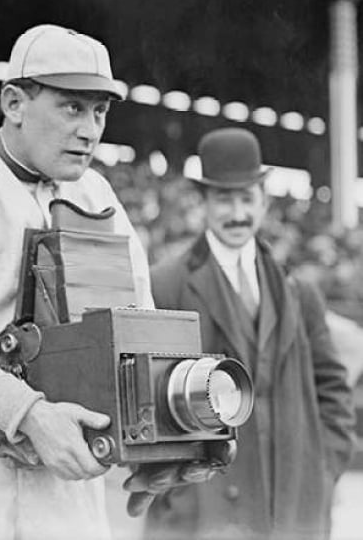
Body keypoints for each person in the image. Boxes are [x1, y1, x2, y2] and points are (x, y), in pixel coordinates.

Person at [0, 24, 227, 540]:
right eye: (72, 107)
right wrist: (31, 415)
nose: (90, 129)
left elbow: (139, 333)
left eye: (100, 111)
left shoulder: (97, 196)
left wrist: (163, 442)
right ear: (14, 102)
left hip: (63, 478)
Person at [147, 127, 356, 540]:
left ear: (264, 202)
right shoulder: (165, 284)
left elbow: (334, 389)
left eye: (247, 198)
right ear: (203, 202)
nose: (237, 212)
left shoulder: (298, 290)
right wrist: (176, 492)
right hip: (203, 513)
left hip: (292, 507)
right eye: (224, 198)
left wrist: (323, 466)